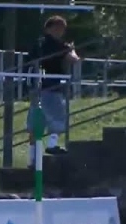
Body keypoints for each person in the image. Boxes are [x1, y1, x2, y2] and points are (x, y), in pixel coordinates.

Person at [27, 15, 80, 164]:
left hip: (35, 86)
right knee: (58, 117)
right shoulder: (58, 45)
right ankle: (52, 145)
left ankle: (32, 159)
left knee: (36, 123)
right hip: (51, 87)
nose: (61, 32)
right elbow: (74, 59)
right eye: (60, 28)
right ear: (53, 28)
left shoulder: (37, 44)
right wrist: (72, 49)